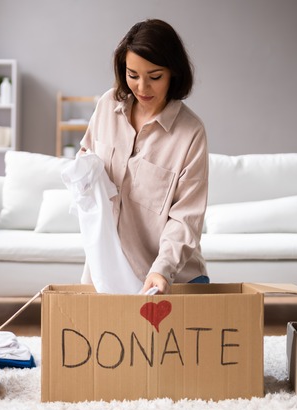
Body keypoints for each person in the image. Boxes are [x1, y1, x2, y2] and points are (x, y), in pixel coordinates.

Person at [80, 18, 209, 295]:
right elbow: (86, 157)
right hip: (107, 274)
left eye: (154, 76)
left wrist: (162, 268)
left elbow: (186, 218)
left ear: (173, 72)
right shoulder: (107, 106)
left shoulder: (191, 133)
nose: (142, 88)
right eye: (133, 75)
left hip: (170, 280)